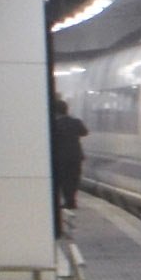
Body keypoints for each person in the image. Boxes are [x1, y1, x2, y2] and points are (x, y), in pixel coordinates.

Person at [47, 90, 81, 230]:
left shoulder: (52, 124)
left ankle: (66, 202)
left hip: (60, 157)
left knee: (62, 179)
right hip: (75, 156)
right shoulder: (75, 121)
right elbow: (84, 132)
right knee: (73, 178)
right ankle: (71, 201)